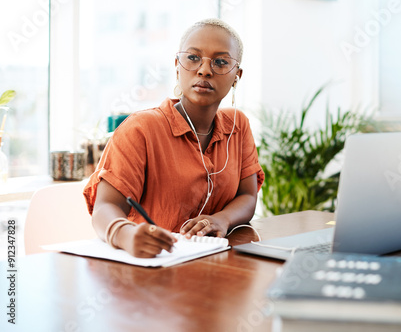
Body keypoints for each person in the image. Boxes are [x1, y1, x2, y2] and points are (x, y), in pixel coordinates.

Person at [83, 18, 265, 258]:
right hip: (153, 267)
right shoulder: (141, 129)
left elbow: (248, 196)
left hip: (215, 265)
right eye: (193, 58)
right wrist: (125, 234)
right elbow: (105, 207)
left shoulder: (237, 126)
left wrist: (221, 220)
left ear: (236, 76)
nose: (204, 70)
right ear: (177, 65)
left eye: (221, 62)